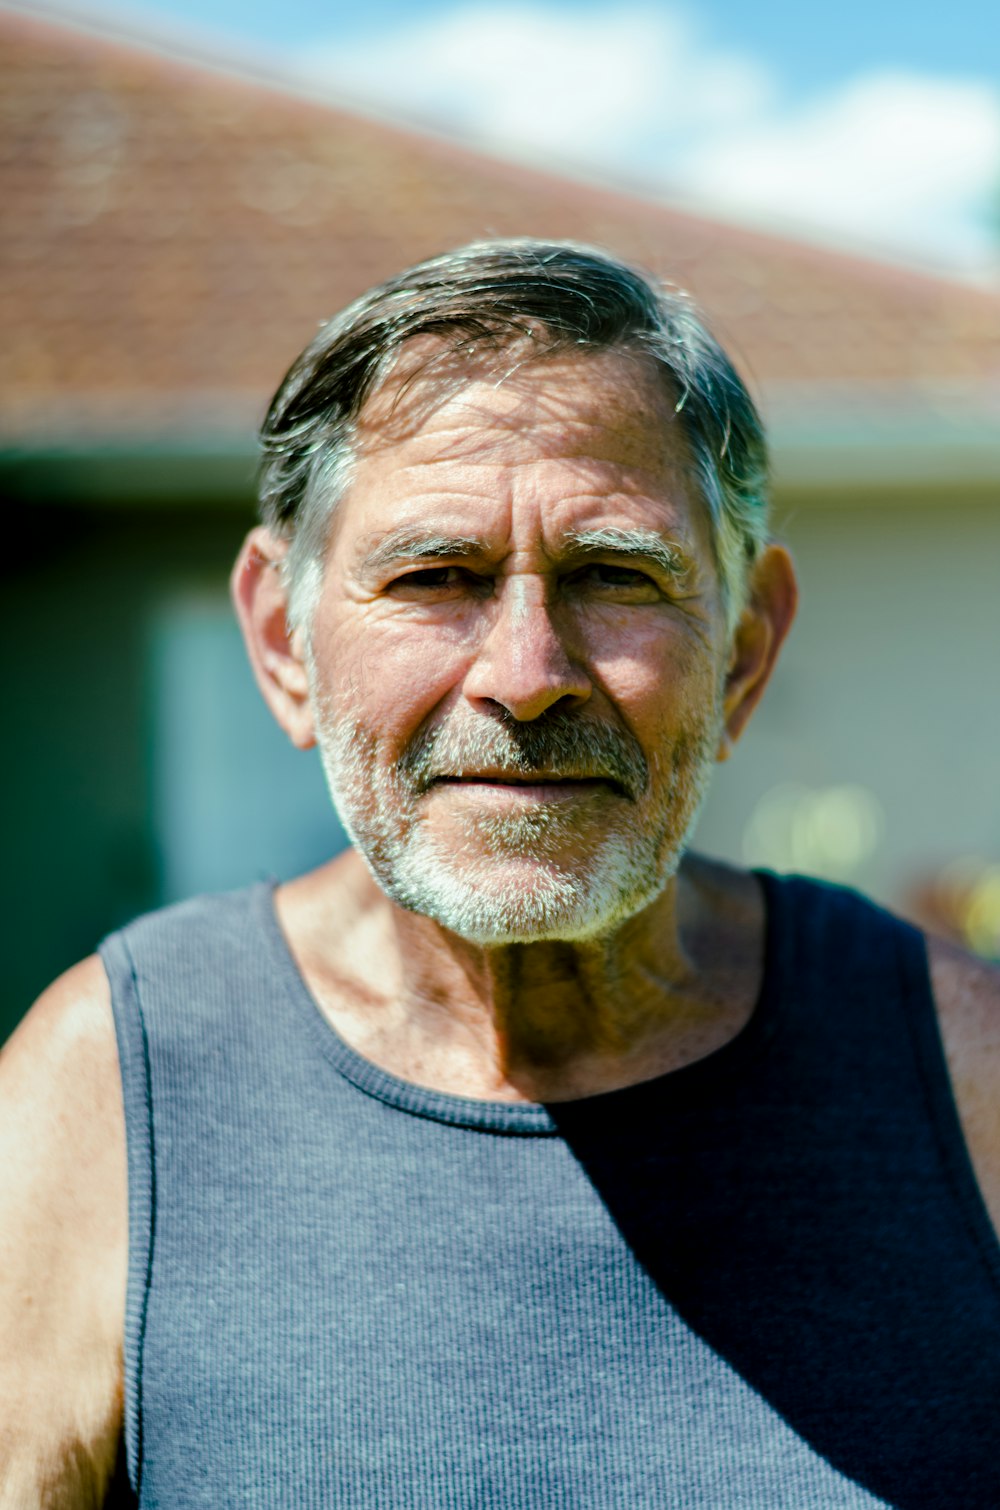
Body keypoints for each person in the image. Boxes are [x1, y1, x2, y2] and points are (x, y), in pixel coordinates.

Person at [1, 240, 997, 1509]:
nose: (526, 674)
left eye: (613, 575)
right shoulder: (103, 1094)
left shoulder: (964, 1069)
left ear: (744, 655)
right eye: (435, 576)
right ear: (281, 642)